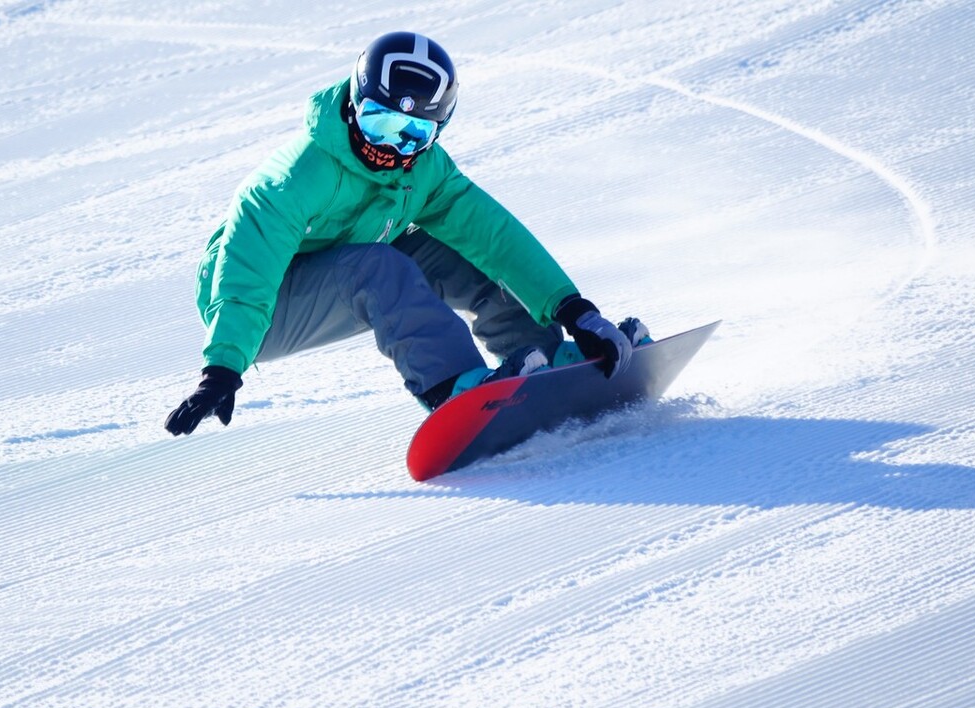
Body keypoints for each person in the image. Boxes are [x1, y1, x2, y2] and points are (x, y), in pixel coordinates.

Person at [165, 31, 649, 436]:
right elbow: (246, 273)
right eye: (380, 122)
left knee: (460, 249)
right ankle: (456, 389)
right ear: (355, 105)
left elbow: (495, 237)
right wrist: (223, 367)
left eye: (414, 133)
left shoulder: (426, 171)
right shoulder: (293, 180)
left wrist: (574, 310)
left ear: (438, 130)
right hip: (252, 311)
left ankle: (544, 357)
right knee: (380, 267)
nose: (391, 147)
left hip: (346, 263)